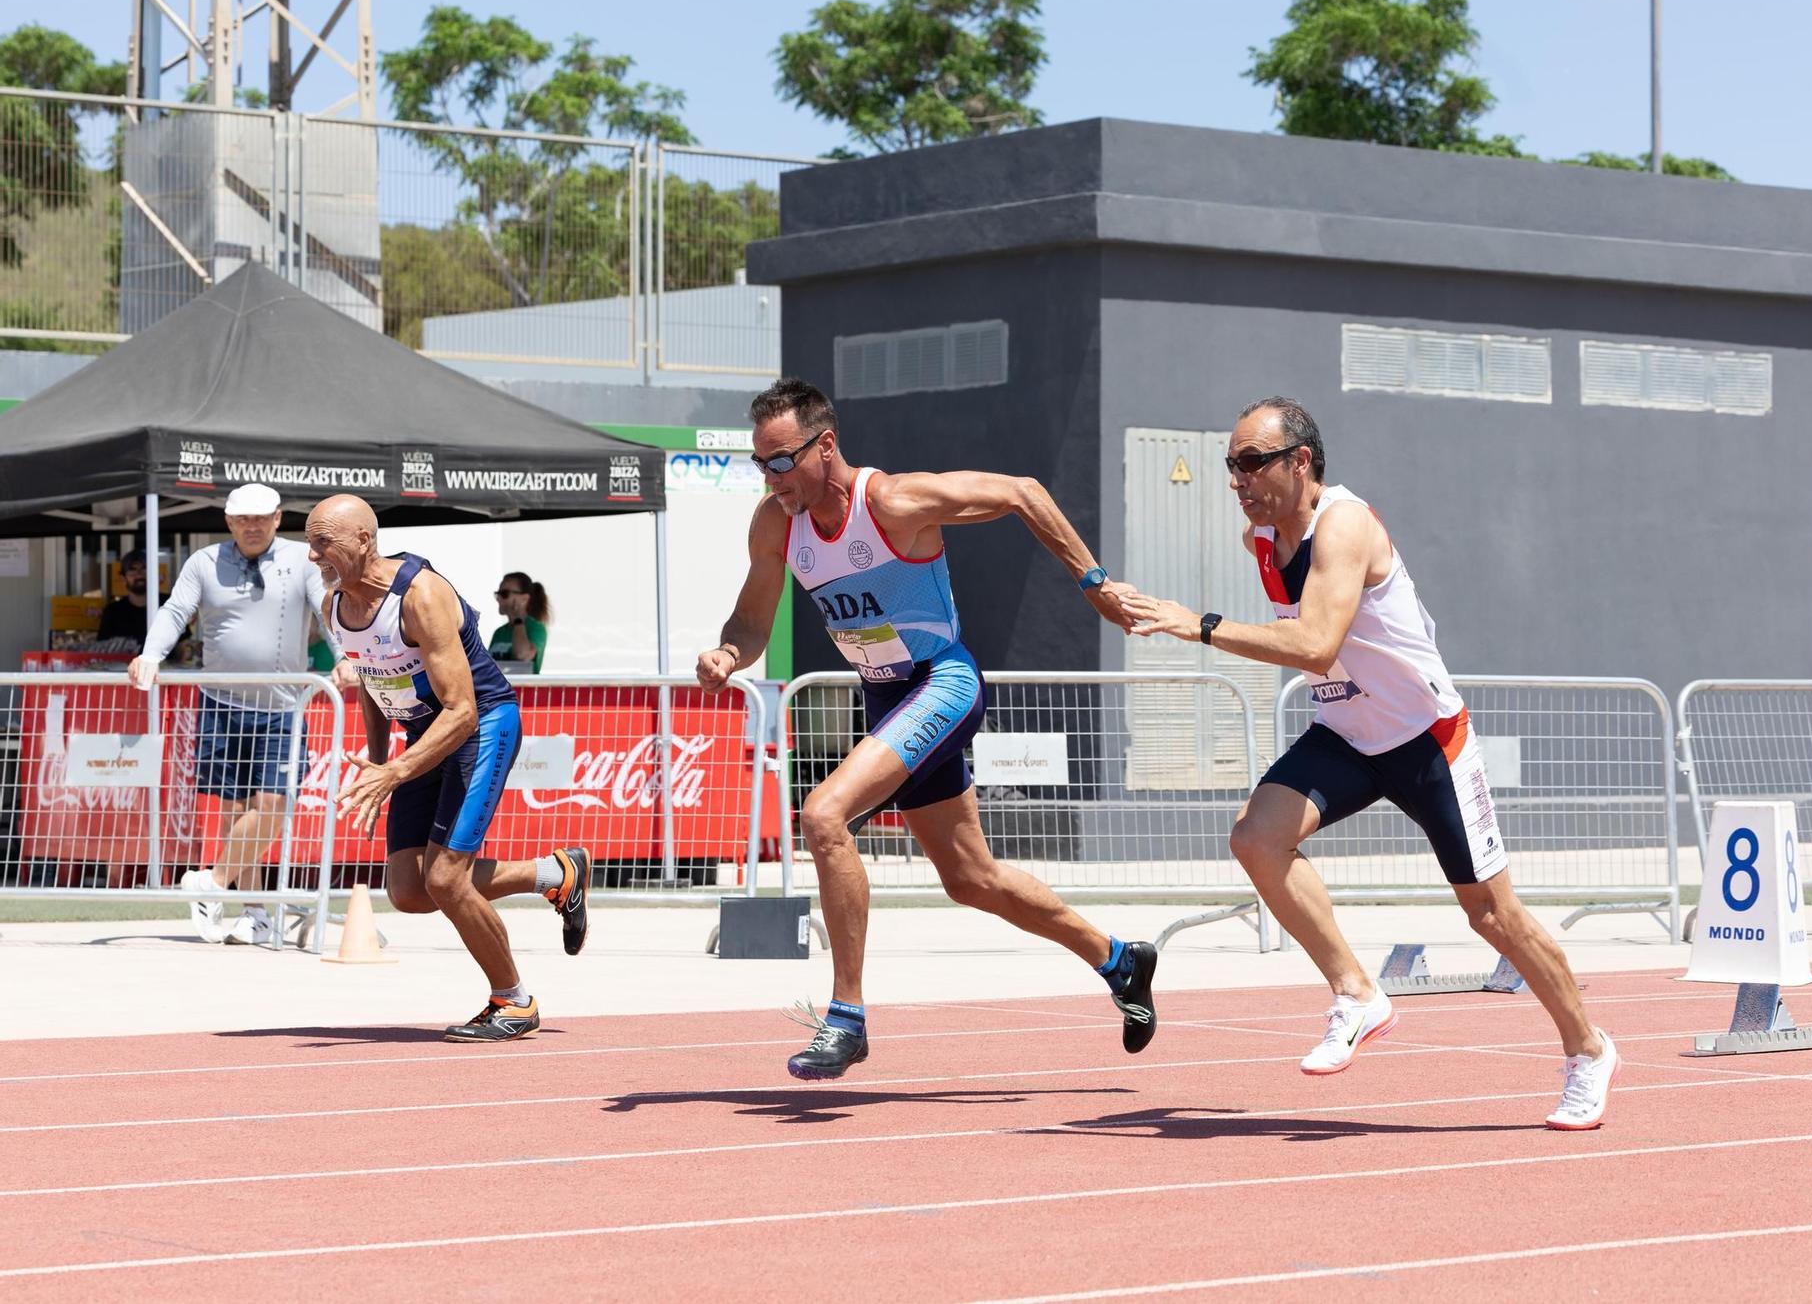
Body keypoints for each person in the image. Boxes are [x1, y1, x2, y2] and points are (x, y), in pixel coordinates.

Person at [1119, 397, 1619, 1131]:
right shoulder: (1261, 536)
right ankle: (1358, 993)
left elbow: (1317, 643)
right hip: (1348, 732)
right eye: (1232, 464)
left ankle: (1590, 1049)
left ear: (1302, 461)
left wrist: (1198, 625)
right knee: (1256, 837)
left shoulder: (1344, 524)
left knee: (1492, 915)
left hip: (1425, 738)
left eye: (1252, 461)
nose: (1238, 477)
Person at [696, 377, 1160, 1080]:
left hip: (942, 682)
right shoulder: (776, 523)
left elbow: (1024, 493)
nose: (772, 477)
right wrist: (729, 652)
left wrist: (1093, 583)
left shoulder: (892, 501)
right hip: (886, 698)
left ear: (827, 446)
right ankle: (1120, 959)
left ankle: (846, 1018)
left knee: (824, 814)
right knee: (972, 879)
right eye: (761, 464)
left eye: (783, 460)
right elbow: (754, 618)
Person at [307, 494, 591, 1043]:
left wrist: (394, 774)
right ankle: (556, 874)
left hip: (480, 725)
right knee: (410, 891)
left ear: (364, 540)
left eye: (325, 542)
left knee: (446, 878)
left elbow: (461, 711)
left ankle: (513, 1001)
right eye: (310, 542)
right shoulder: (334, 605)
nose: (314, 554)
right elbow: (371, 677)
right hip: (424, 734)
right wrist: (379, 756)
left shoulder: (422, 596)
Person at [129, 483, 357, 946]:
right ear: (229, 522)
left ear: (277, 519)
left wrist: (346, 654)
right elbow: (176, 611)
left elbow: (329, 609)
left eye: (261, 518)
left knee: (274, 805)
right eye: (242, 519)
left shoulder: (302, 559)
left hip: (284, 705)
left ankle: (210, 883)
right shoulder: (203, 562)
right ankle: (254, 912)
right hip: (221, 702)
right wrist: (151, 654)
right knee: (234, 813)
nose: (252, 527)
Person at [487, 572, 550, 674]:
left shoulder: (536, 628)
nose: (498, 598)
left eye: (504, 594)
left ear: (524, 598)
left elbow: (522, 654)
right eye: (497, 594)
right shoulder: (499, 632)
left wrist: (518, 619)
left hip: (521, 689)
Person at [96, 550, 152, 650]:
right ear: (123, 578)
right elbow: (103, 650)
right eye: (132, 570)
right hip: (122, 665)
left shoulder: (168, 605)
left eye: (144, 569)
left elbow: (183, 645)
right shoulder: (113, 612)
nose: (139, 575)